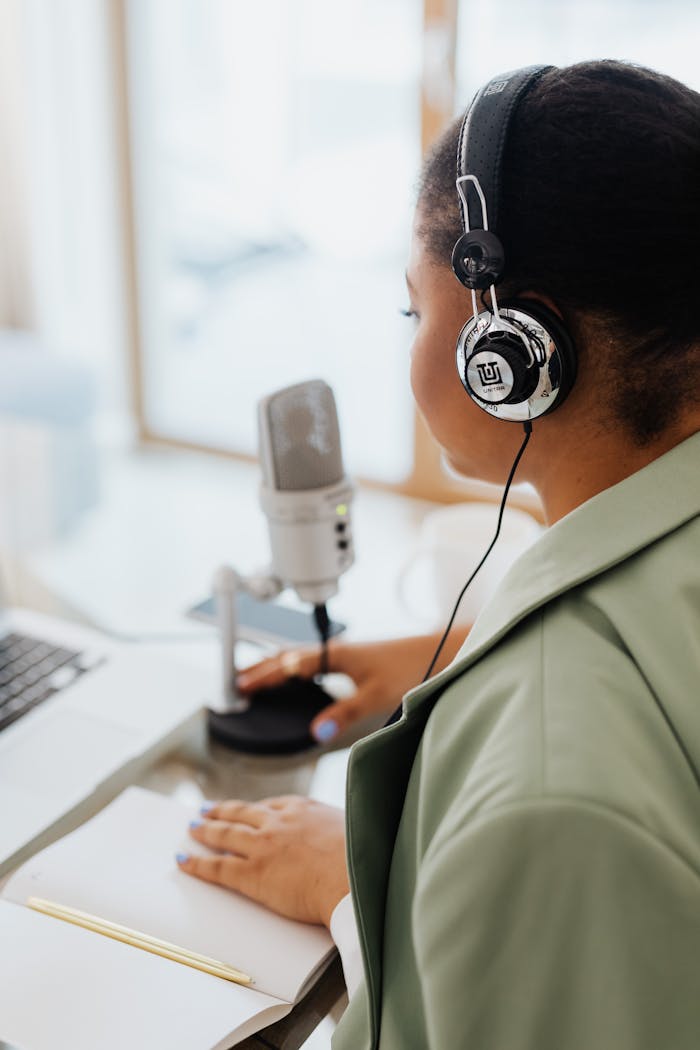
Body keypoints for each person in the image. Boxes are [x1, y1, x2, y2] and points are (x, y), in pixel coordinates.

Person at [176, 60, 700, 1048]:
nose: (410, 343)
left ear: (506, 353)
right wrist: (458, 652)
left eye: (416, 312)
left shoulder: (550, 804)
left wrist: (360, 891)